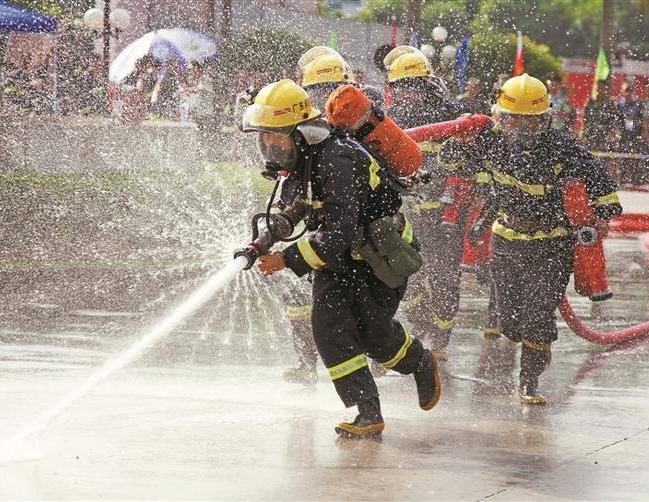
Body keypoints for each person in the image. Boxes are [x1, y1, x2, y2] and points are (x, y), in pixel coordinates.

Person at [243, 79, 441, 438]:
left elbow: (340, 231)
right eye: (265, 137)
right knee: (328, 329)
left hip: (379, 257)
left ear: (300, 133)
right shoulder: (302, 159)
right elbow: (297, 206)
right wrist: (264, 238)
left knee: (373, 336)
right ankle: (367, 412)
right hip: (338, 261)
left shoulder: (340, 160)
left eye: (277, 137)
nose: (270, 146)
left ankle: (420, 361)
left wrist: (285, 260)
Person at [439, 74, 622, 404]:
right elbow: (450, 161)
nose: (522, 131)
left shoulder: (564, 150)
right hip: (506, 239)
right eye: (514, 123)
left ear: (545, 120)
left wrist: (601, 217)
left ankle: (530, 381)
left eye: (530, 124)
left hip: (551, 243)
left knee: (538, 317)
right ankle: (529, 355)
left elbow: (605, 190)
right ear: (501, 118)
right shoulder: (489, 140)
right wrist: (456, 141)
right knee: (509, 324)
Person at [279, 46, 387, 386]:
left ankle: (375, 359)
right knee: (297, 299)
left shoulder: (361, 130)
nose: (327, 101)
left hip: (352, 234)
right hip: (317, 226)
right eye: (318, 93)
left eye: (332, 92)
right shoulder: (307, 132)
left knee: (356, 305)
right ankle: (306, 362)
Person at [384, 45, 488, 357]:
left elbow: (481, 154)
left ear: (429, 87)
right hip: (406, 217)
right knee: (407, 278)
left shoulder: (454, 117)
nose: (408, 96)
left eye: (414, 88)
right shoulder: (389, 122)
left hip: (446, 218)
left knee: (445, 278)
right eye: (402, 89)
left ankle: (441, 339)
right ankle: (419, 327)